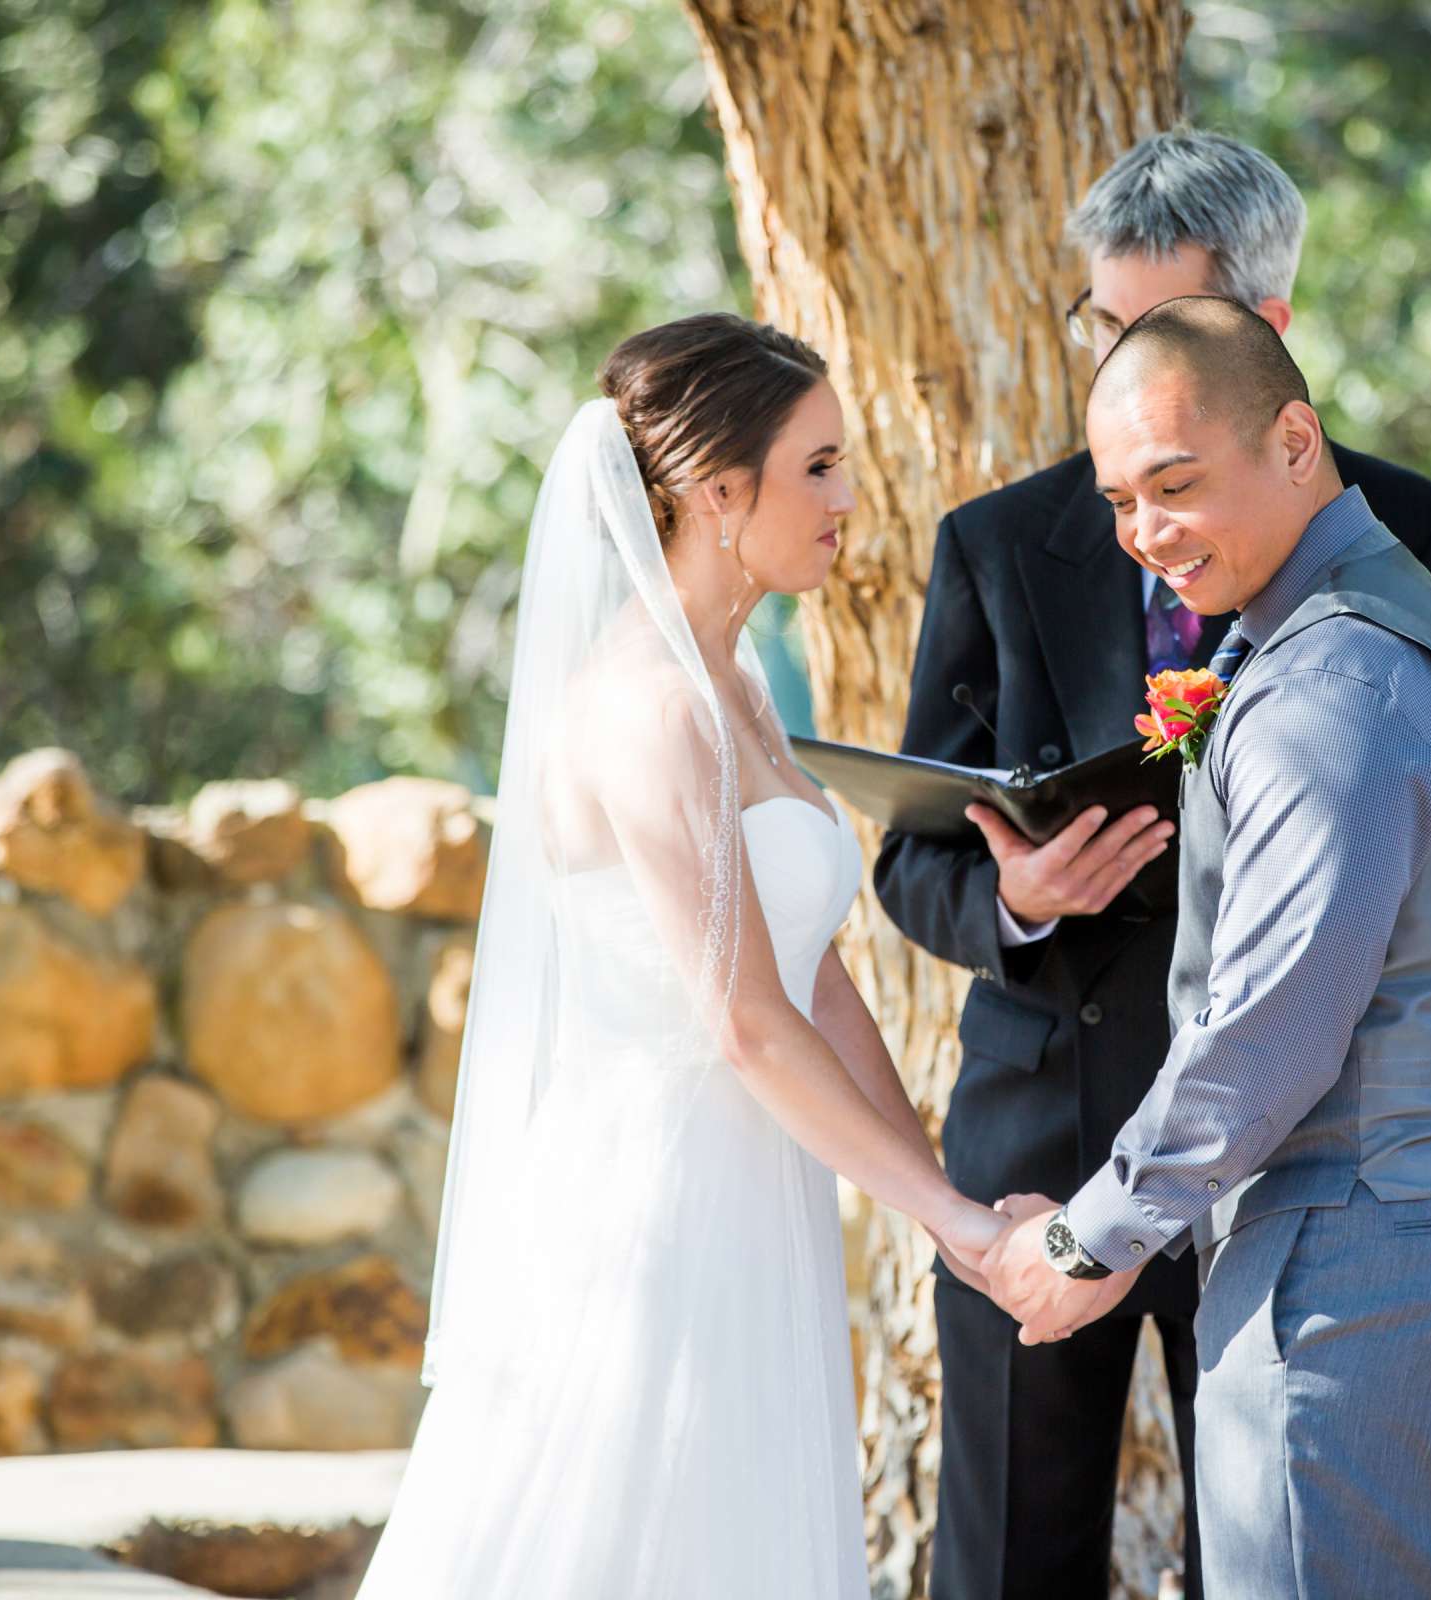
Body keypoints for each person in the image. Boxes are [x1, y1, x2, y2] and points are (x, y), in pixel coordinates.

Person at [871, 129, 1431, 1600]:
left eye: (1150, 326)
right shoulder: (1000, 543)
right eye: (1099, 323)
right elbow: (909, 866)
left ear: (1263, 334)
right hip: (1043, 1133)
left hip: (1284, 1133)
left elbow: (1389, 832)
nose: (1111, 360)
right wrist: (1017, 901)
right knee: (1010, 1554)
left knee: (1268, 1549)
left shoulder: (1413, 540)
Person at [357, 315, 1006, 1599]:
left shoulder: (741, 684)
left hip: (760, 1193)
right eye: (816, 466)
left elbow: (819, 979)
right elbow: (748, 1021)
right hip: (654, 1220)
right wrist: (959, 1224)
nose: (848, 497)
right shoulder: (648, 708)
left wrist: (945, 1210)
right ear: (717, 492)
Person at [983, 296, 1431, 1600]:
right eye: (1123, 501)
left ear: (1296, 440)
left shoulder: (1332, 680)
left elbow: (1274, 1021)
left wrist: (1091, 1240)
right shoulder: (1339, 626)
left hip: (1357, 1244)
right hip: (1399, 1226)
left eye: (1174, 485)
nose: (1144, 537)